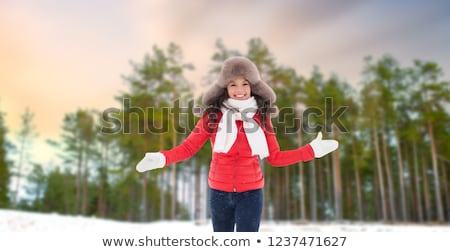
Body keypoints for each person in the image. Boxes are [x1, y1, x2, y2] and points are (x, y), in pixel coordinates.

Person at [136, 56, 339, 232]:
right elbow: (189, 148)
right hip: (219, 192)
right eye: (233, 84)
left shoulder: (262, 118)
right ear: (225, 88)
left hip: (251, 194)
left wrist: (311, 150)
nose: (239, 90)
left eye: (245, 83)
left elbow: (275, 158)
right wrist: (162, 158)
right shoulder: (212, 116)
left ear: (253, 87)